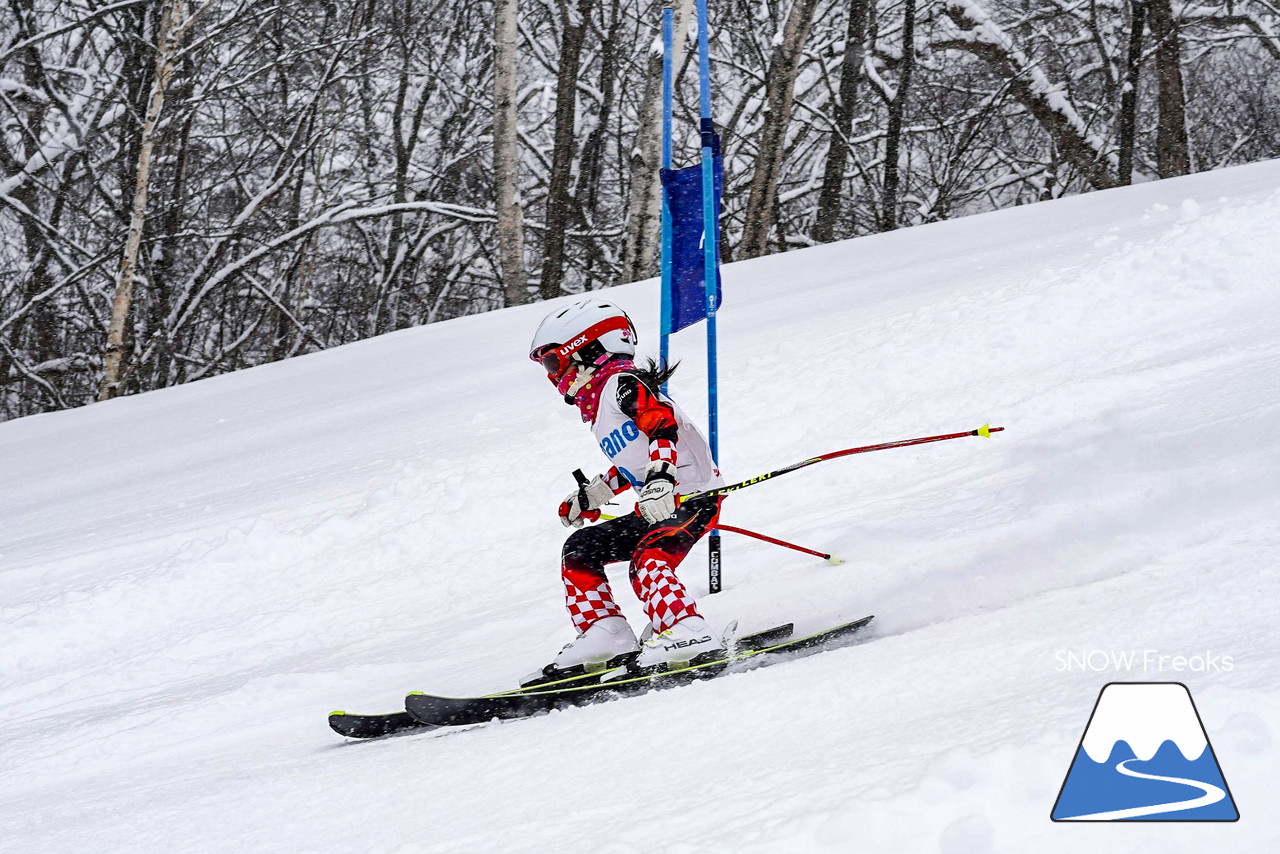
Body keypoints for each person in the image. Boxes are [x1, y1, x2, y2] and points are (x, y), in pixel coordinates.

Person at [528, 298, 726, 674]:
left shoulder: (623, 384)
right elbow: (632, 463)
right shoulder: (602, 406)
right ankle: (607, 632)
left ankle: (688, 630)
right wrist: (595, 493)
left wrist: (663, 478)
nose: (553, 376)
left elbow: (661, 426)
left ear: (587, 349)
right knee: (581, 549)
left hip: (693, 499)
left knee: (649, 558)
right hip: (657, 504)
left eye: (553, 362)